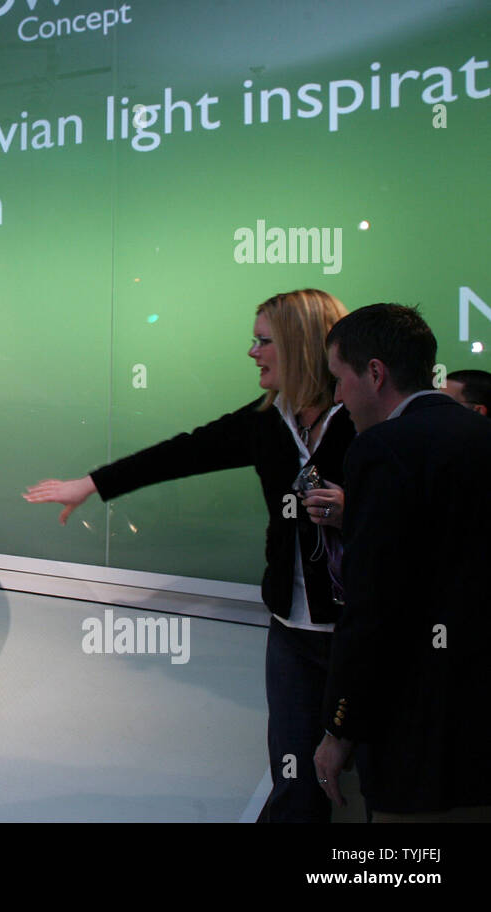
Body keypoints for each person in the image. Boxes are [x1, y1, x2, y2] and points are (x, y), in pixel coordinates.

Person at [25, 288, 352, 822]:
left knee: (369, 779)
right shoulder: (270, 418)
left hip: (358, 630)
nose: (252, 352)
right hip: (290, 629)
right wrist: (89, 484)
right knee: (293, 774)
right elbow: (186, 451)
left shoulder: (364, 421)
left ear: (300, 345)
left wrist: (352, 511)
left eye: (264, 341)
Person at [314, 305, 491, 820]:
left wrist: (339, 727)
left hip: (414, 727)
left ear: (374, 373)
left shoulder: (383, 449)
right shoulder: (479, 436)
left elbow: (374, 606)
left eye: (339, 380)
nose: (338, 397)